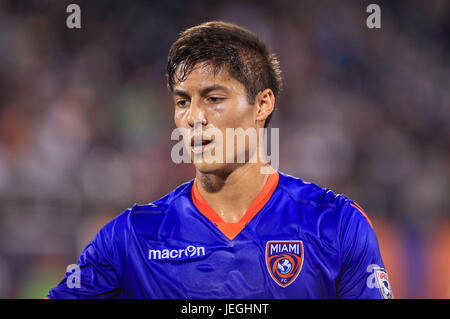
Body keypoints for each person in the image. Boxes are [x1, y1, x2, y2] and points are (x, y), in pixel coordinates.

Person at [46, 21, 393, 299]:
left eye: (213, 98)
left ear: (262, 105)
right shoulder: (129, 238)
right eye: (183, 102)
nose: (194, 116)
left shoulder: (337, 225)